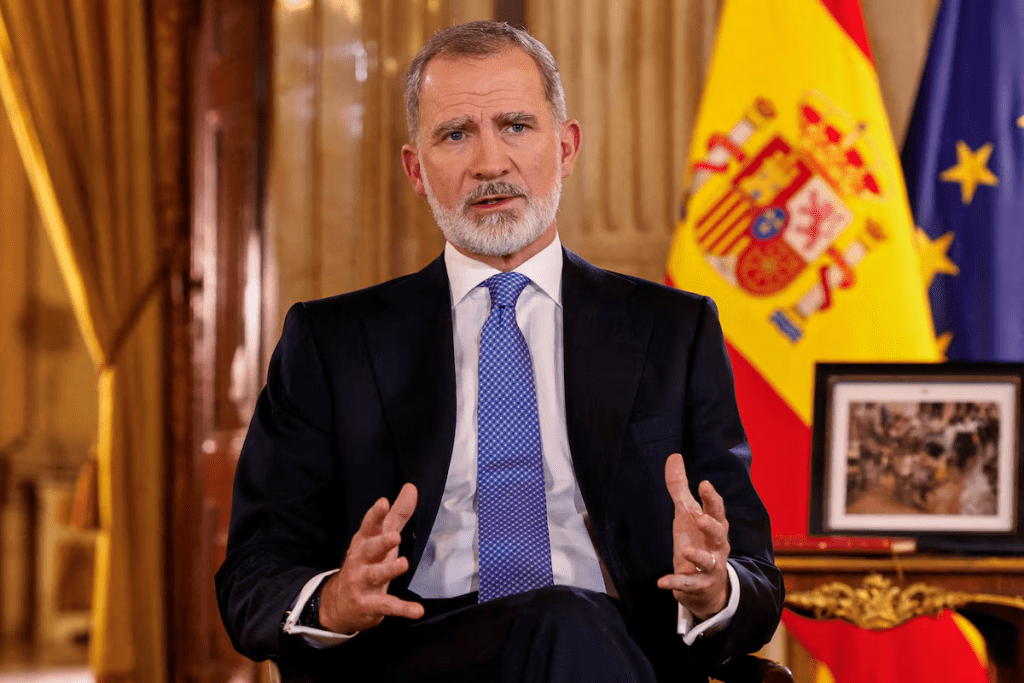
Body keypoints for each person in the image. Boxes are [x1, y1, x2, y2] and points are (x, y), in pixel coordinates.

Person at [215, 20, 783, 682]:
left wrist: (714, 588)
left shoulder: (674, 331)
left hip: (613, 648)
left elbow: (755, 579)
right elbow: (251, 575)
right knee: (563, 620)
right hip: (412, 655)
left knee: (570, 622)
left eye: (515, 125)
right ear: (416, 169)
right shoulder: (330, 341)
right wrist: (337, 600)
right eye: (456, 134)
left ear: (566, 147)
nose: (489, 163)